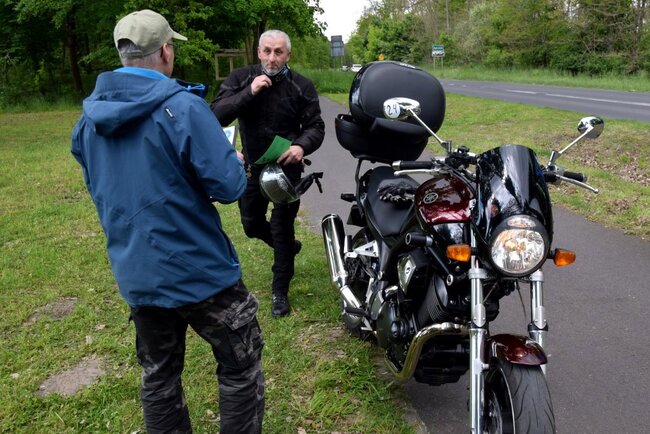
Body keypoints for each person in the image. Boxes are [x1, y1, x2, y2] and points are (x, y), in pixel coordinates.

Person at [70, 10, 264, 433]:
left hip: (139, 274)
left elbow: (100, 186)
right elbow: (230, 186)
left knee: (158, 377)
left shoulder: (87, 122)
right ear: (165, 51)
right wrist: (233, 161)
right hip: (202, 272)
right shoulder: (184, 107)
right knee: (240, 365)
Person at [211, 29, 325, 318]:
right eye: (267, 51)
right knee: (251, 225)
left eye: (278, 52)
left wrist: (301, 146)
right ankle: (288, 248)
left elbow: (316, 126)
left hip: (287, 168)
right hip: (252, 167)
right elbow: (215, 115)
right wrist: (249, 92)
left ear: (288, 55)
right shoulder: (241, 78)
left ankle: (279, 292)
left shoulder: (301, 85)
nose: (272, 58)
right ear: (259, 52)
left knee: (281, 227)